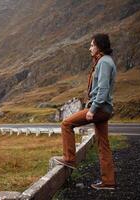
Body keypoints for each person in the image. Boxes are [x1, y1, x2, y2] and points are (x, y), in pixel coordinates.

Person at [54, 33, 117, 190]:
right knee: (103, 144)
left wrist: (93, 109)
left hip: (99, 108)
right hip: (105, 108)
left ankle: (69, 158)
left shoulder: (103, 62)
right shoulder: (106, 61)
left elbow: (103, 89)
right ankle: (108, 182)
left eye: (91, 45)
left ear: (99, 46)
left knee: (66, 124)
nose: (89, 48)